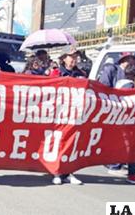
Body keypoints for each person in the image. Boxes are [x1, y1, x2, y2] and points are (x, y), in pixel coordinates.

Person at [99, 53, 135, 175]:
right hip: (113, 106)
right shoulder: (112, 70)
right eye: (130, 60)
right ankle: (113, 164)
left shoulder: (126, 75)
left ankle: (116, 162)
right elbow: (104, 86)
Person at [52, 46, 84, 186]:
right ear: (64, 58)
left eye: (76, 57)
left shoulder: (80, 74)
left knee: (71, 143)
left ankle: (69, 172)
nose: (74, 59)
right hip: (59, 113)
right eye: (71, 56)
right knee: (59, 142)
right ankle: (57, 172)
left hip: (75, 113)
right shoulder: (56, 73)